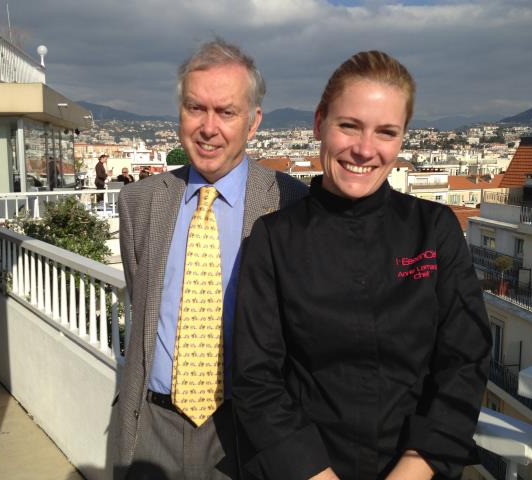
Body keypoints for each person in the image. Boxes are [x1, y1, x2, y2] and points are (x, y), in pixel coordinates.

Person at [232, 51, 491, 480]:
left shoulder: (434, 228)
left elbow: (466, 359)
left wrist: (415, 466)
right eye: (349, 125)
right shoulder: (274, 238)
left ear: (402, 139)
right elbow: (256, 377)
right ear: (320, 124)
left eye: (385, 132)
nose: (364, 149)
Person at [115, 39, 307, 480]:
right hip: (152, 426)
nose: (208, 127)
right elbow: (141, 296)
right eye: (195, 108)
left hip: (248, 429)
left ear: (254, 122)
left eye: (226, 112)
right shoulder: (139, 202)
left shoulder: (291, 203)